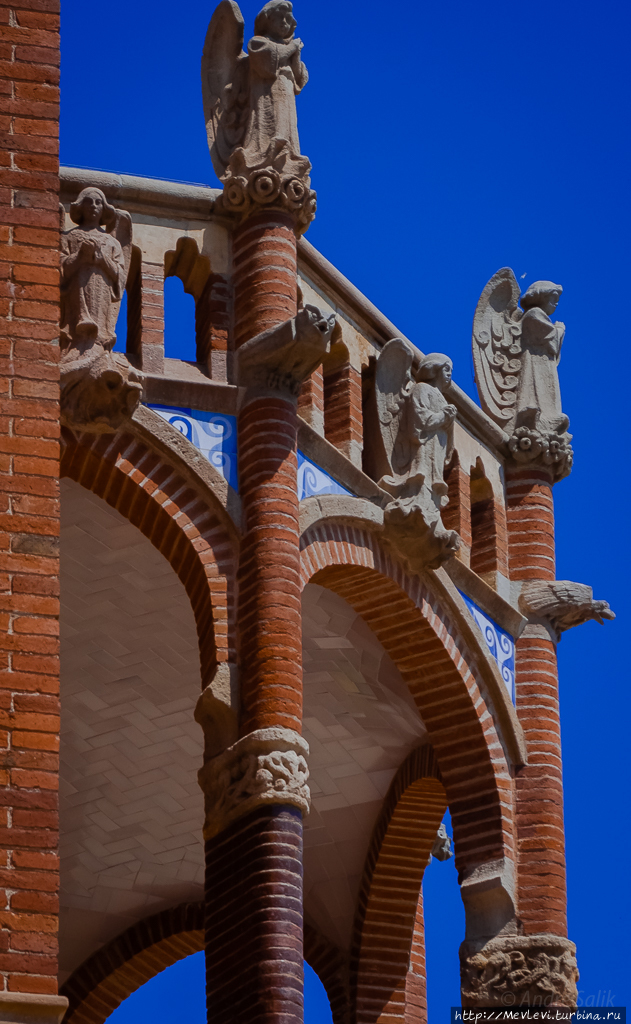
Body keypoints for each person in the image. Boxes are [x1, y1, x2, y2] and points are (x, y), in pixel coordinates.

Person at [60, 187, 126, 352]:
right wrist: (81, 256)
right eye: (88, 202)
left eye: (98, 203)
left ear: (104, 208)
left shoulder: (112, 242)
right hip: (78, 289)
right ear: (81, 206)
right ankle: (76, 347)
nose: (93, 206)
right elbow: (62, 270)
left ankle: (98, 347)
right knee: (78, 327)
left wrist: (102, 259)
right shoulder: (69, 237)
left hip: (102, 290)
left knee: (99, 328)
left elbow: (119, 275)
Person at [244, 1, 308, 164]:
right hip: (267, 93)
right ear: (268, 19)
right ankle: (266, 152)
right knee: (270, 123)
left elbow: (299, 78)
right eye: (280, 18)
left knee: (287, 125)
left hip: (286, 92)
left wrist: (296, 55)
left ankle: (289, 152)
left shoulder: (289, 48)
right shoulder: (258, 43)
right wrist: (292, 48)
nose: (284, 23)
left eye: (288, 19)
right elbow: (269, 62)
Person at [515, 281, 569, 434]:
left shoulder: (540, 316)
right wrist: (560, 329)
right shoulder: (534, 314)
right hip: (535, 362)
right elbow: (551, 340)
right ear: (542, 296)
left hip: (543, 363)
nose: (556, 303)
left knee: (545, 390)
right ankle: (540, 418)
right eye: (553, 298)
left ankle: (547, 418)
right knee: (536, 388)